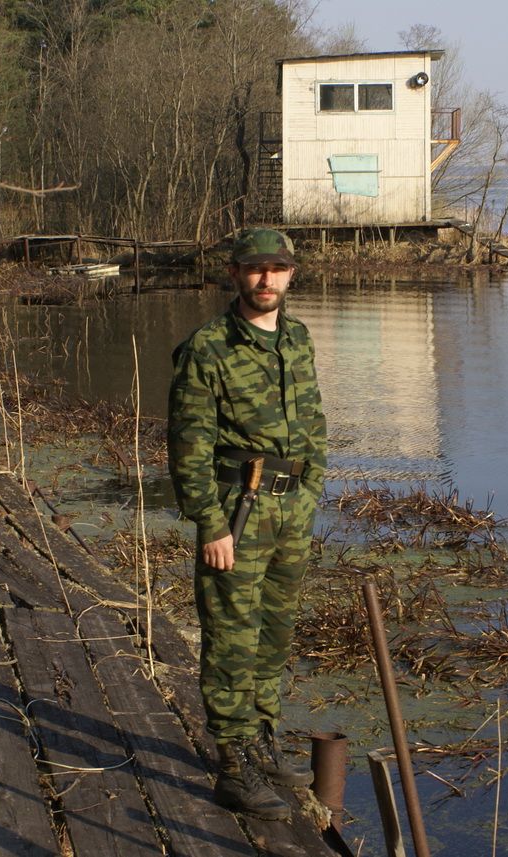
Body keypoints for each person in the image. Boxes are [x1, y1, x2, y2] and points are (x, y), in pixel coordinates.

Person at [167, 228, 327, 820]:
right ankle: (233, 767)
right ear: (234, 274)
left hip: (291, 511)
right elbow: (188, 444)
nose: (267, 279)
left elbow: (313, 423)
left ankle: (261, 740)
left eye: (277, 269)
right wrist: (211, 524)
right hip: (238, 508)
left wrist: (311, 491)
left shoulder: (298, 339)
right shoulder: (207, 348)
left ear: (291, 274)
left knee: (273, 635)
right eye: (255, 269)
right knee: (232, 637)